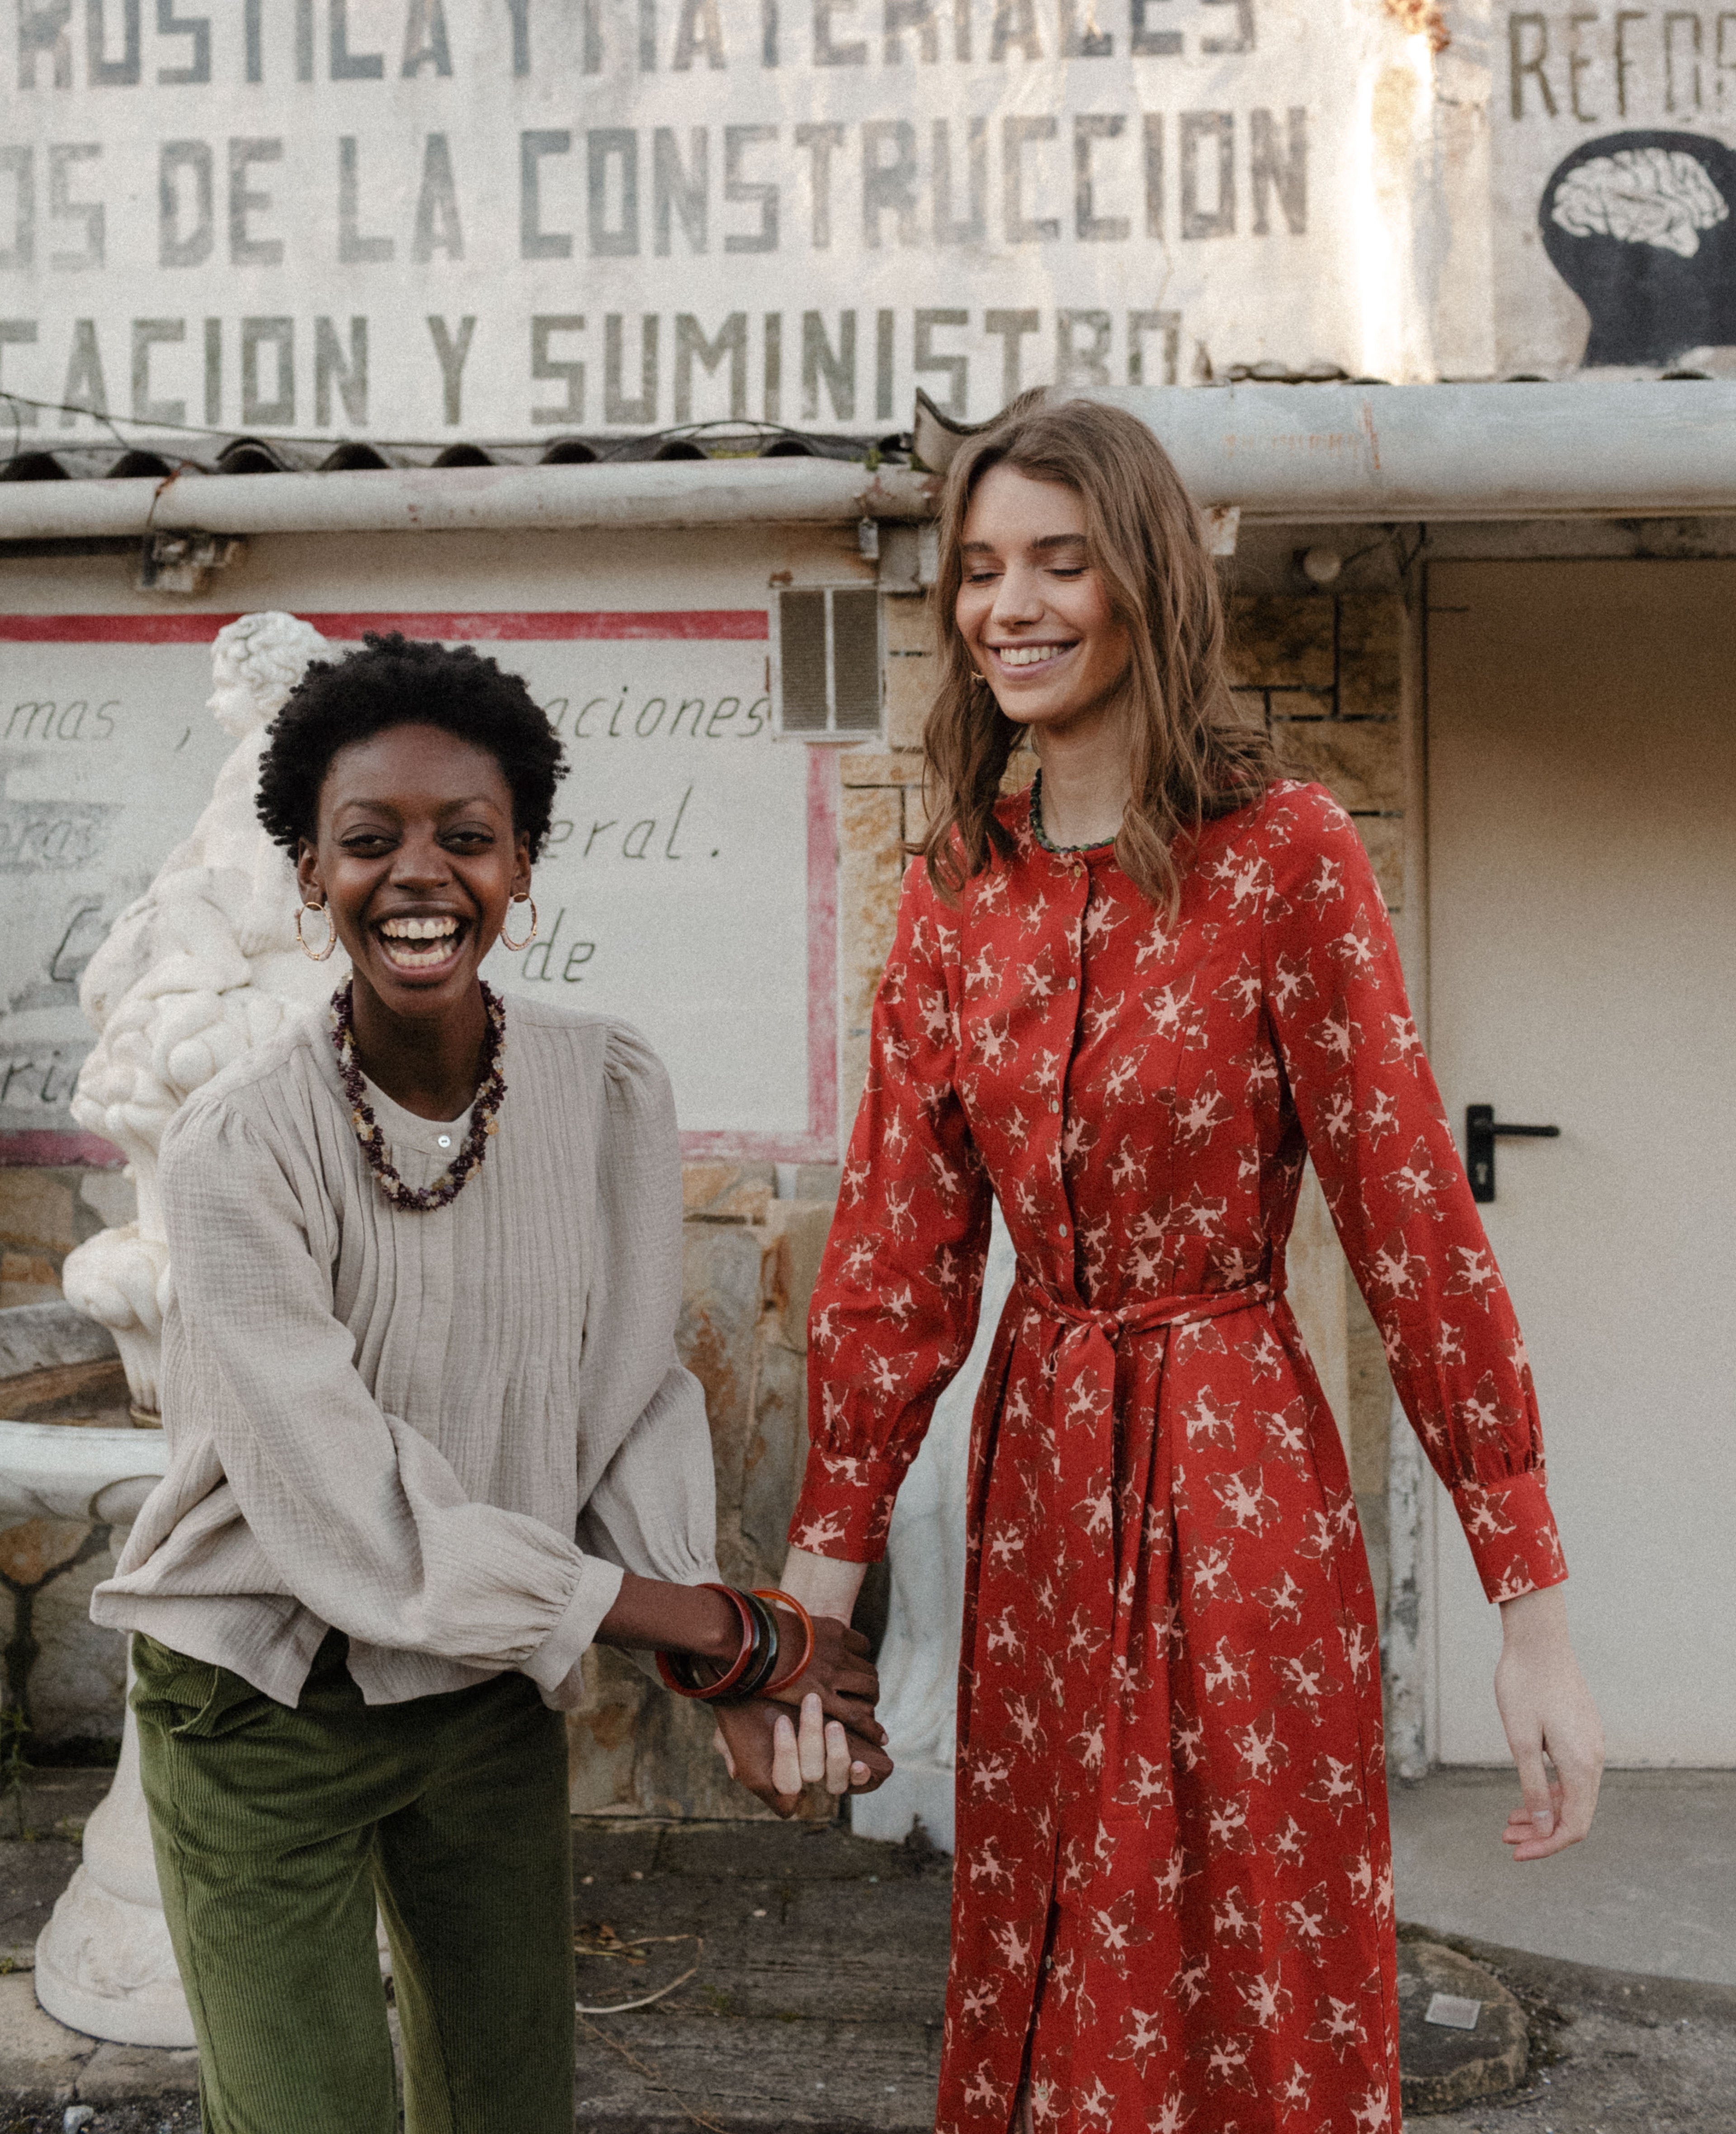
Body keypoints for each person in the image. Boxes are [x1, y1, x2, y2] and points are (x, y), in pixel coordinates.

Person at [773, 398, 1604, 2133]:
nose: (1013, 604)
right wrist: (809, 1614)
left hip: (1239, 1482)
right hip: (1043, 1487)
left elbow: (1408, 1222)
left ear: (1146, 582)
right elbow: (894, 1267)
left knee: (1247, 1969)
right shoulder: (949, 897)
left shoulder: (1285, 857)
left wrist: (1532, 1616)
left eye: (1061, 563)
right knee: (1062, 1934)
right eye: (982, 568)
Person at [91, 632, 884, 2134]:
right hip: (257, 1706)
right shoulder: (236, 1151)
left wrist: (718, 1670)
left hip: (474, 1695)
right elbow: (361, 1521)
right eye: (366, 841)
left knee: (508, 2108)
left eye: (467, 838)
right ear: (306, 870)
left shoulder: (607, 1091)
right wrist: (722, 1620)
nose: (419, 877)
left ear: (523, 863)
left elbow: (631, 1392)